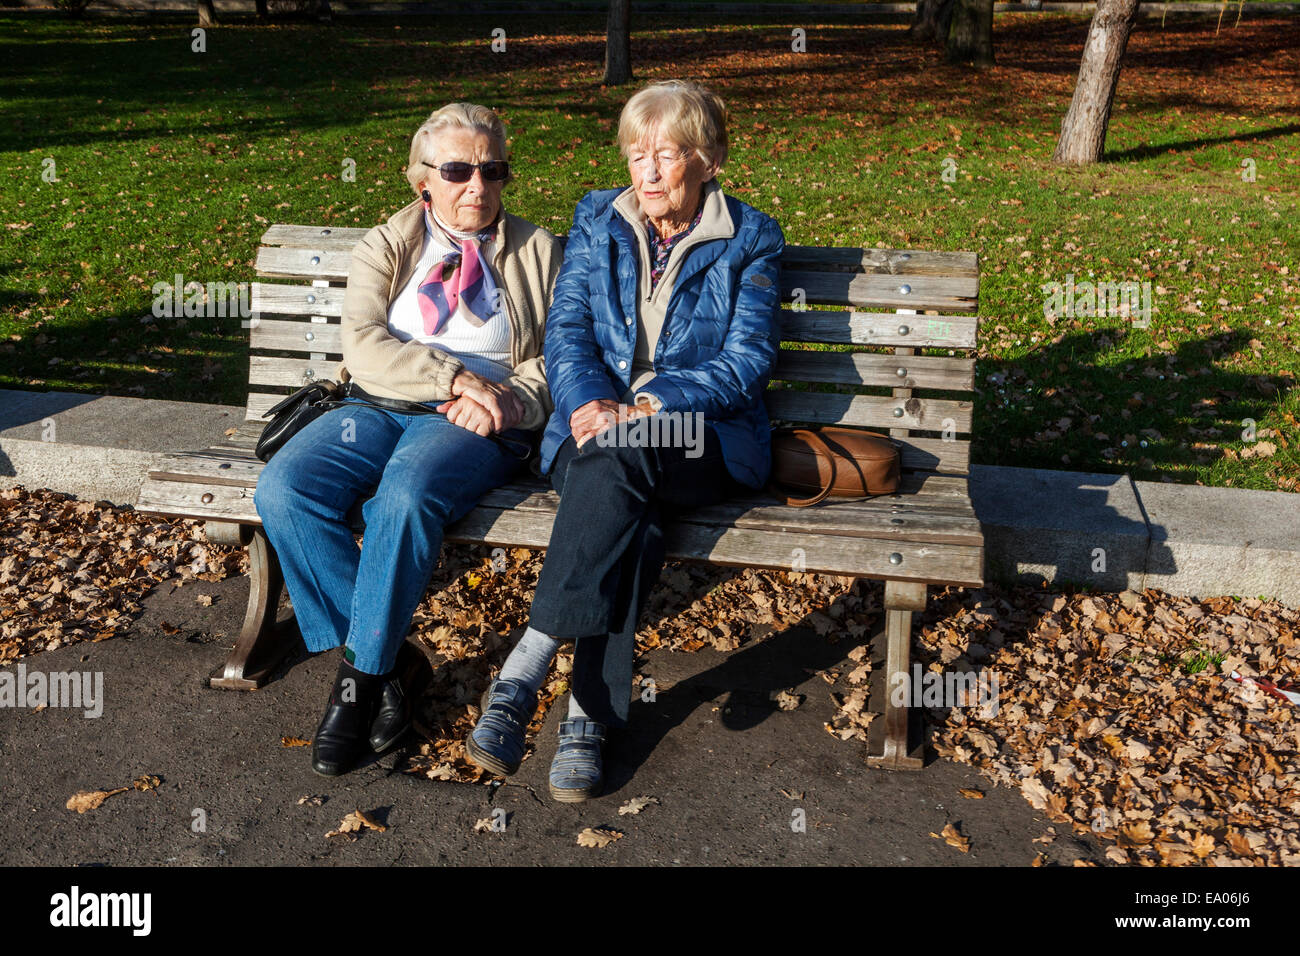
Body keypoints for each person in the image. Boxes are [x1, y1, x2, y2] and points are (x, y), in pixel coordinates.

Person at [465, 79, 785, 801]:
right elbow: (568, 331)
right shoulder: (598, 218)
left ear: (707, 160)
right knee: (628, 518)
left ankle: (527, 661)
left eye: (664, 156)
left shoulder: (752, 238)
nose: (645, 172)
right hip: (596, 429)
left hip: (702, 437)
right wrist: (584, 404)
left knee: (624, 456)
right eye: (635, 154)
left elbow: (745, 364)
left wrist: (648, 401)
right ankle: (586, 718)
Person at [254, 103, 564, 776]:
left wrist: (512, 398)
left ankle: (356, 686)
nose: (477, 186)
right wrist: (450, 374)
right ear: (422, 179)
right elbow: (363, 345)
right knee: (285, 488)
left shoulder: (539, 250)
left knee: (405, 493)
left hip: (475, 421)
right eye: (457, 170)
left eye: (493, 169)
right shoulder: (388, 243)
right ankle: (395, 662)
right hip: (377, 402)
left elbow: (562, 356)